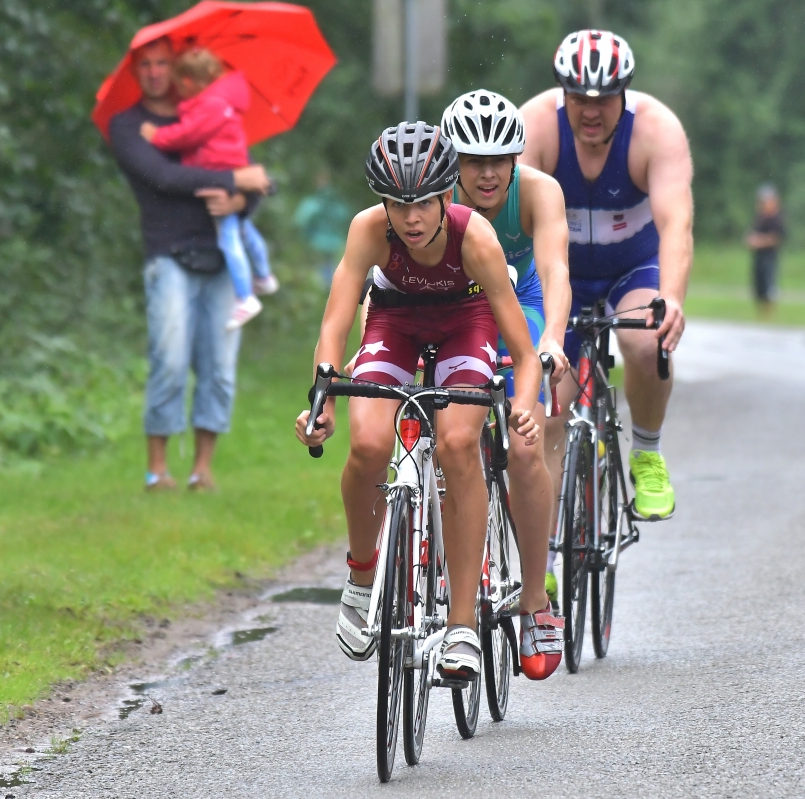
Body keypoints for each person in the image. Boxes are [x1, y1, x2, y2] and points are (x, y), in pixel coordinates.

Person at [294, 123, 542, 680]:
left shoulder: (476, 238)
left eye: (423, 203)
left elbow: (524, 356)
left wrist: (525, 404)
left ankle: (461, 625)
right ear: (383, 203)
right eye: (399, 205)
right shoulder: (368, 230)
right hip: (394, 321)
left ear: (446, 195)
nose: (411, 219)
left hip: (466, 322)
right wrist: (321, 401)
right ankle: (363, 577)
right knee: (369, 444)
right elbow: (334, 325)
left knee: (458, 445)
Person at [520, 29, 693, 522]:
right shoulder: (535, 126)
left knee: (646, 342)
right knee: (547, 415)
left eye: (603, 99)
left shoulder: (656, 129)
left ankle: (647, 453)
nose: (590, 112)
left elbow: (676, 225)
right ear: (563, 94)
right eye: (579, 99)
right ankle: (546, 557)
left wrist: (671, 298)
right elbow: (511, 225)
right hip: (561, 275)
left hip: (633, 268)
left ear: (624, 93)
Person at [439, 89, 570, 679]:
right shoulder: (433, 197)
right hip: (457, 308)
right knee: (444, 437)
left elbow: (555, 269)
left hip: (525, 306)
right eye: (473, 162)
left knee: (524, 446)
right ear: (453, 163)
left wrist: (553, 339)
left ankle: (536, 599)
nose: (487, 174)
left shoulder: (539, 191)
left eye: (498, 161)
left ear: (516, 158)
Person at [107, 37, 272, 491]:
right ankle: (157, 469)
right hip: (168, 253)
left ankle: (202, 469)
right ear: (136, 72)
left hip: (222, 257)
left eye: (163, 63)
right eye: (146, 65)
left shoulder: (209, 110)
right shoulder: (129, 126)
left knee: (219, 366)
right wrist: (234, 179)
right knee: (170, 359)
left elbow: (259, 181)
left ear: (178, 70)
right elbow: (163, 176)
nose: (155, 72)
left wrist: (240, 198)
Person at [139, 47, 278, 331]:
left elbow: (187, 134)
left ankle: (245, 297)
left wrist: (157, 135)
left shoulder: (210, 105)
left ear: (188, 82)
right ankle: (264, 276)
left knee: (229, 238)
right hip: (230, 167)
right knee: (245, 230)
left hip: (221, 174)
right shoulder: (222, 101)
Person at [293, 170, 351, 287]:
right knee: (334, 270)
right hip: (336, 243)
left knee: (316, 272)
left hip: (316, 243)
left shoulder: (312, 203)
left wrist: (306, 235)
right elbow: (346, 219)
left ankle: (321, 289)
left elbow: (300, 221)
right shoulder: (339, 204)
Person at [746, 184, 785, 318]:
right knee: (759, 287)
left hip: (769, 257)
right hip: (759, 257)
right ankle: (762, 316)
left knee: (769, 286)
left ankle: (770, 315)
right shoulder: (760, 217)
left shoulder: (777, 218)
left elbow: (776, 238)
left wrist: (759, 241)